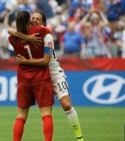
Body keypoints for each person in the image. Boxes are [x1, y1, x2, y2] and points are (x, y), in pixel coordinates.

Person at [10, 11, 84, 141]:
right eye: (32, 18)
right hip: (40, 74)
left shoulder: (46, 33)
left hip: (53, 72)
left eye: (37, 19)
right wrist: (27, 37)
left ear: (43, 22)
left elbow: (45, 61)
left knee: (66, 104)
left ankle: (79, 136)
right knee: (45, 113)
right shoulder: (30, 34)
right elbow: (11, 31)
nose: (34, 20)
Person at [8, 11, 54, 141]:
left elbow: (10, 31)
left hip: (23, 79)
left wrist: (24, 37)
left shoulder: (12, 39)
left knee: (21, 116)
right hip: (41, 78)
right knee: (46, 114)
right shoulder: (40, 31)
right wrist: (29, 37)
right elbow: (48, 31)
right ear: (29, 20)